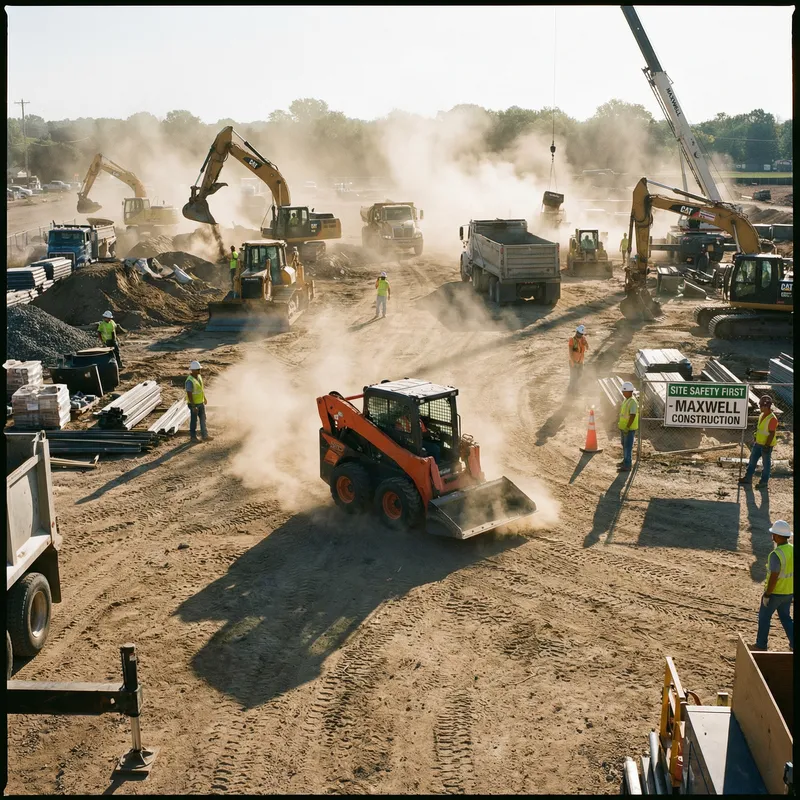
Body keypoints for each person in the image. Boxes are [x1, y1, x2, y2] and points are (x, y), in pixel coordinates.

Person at [754, 519, 793, 651]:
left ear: (777, 536)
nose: (772, 536)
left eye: (773, 534)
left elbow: (774, 576)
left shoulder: (776, 554)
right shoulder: (792, 549)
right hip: (788, 592)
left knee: (764, 617)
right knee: (786, 618)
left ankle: (761, 645)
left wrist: (767, 594)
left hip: (775, 593)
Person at [739, 395, 778, 489]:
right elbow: (761, 429)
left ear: (766, 406)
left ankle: (764, 482)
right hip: (758, 443)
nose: (759, 407)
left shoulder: (772, 419)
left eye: (761, 405)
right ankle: (748, 478)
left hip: (766, 445)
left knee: (766, 465)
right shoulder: (761, 415)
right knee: (752, 461)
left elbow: (771, 433)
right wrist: (755, 437)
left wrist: (767, 445)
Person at [185, 360, 212, 443]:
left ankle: (205, 435)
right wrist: (193, 406)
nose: (200, 371)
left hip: (200, 402)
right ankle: (193, 437)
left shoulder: (199, 377)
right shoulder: (189, 381)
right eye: (198, 369)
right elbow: (189, 394)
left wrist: (204, 398)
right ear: (193, 370)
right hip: (194, 404)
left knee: (203, 419)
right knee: (194, 421)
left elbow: (200, 389)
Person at [617, 381, 639, 472]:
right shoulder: (626, 400)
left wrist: (627, 427)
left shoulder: (632, 401)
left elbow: (632, 415)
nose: (623, 393)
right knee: (624, 445)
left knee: (628, 447)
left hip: (629, 429)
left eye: (624, 391)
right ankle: (625, 461)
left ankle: (627, 465)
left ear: (629, 391)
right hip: (624, 427)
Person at [568, 324, 589, 392]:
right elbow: (570, 352)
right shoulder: (572, 340)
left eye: (581, 334)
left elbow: (587, 348)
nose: (580, 335)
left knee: (579, 377)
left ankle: (576, 391)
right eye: (579, 333)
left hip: (580, 362)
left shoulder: (583, 339)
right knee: (573, 378)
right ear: (577, 332)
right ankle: (570, 391)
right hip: (574, 362)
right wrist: (572, 362)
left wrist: (586, 343)